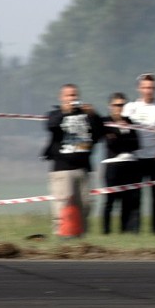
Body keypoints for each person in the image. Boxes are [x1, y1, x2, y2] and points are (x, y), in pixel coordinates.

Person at [44, 84, 105, 236]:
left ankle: (81, 238)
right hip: (62, 169)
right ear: (62, 97)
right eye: (69, 95)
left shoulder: (85, 115)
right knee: (63, 205)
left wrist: (94, 115)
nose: (72, 98)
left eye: (74, 95)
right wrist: (65, 112)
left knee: (85, 205)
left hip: (83, 168)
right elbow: (50, 126)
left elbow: (100, 134)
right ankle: (61, 237)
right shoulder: (56, 113)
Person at [122, 73, 155, 234]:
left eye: (151, 87)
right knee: (133, 196)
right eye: (145, 87)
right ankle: (132, 230)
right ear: (139, 88)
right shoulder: (130, 107)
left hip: (154, 158)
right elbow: (123, 130)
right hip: (135, 158)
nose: (148, 91)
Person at [101, 93, 140, 234]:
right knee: (110, 201)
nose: (120, 108)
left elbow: (136, 144)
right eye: (117, 105)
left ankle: (126, 231)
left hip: (130, 165)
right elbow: (111, 144)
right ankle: (106, 232)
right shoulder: (105, 121)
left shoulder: (129, 121)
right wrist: (122, 139)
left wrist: (119, 138)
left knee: (127, 201)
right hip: (113, 165)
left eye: (122, 104)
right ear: (110, 106)